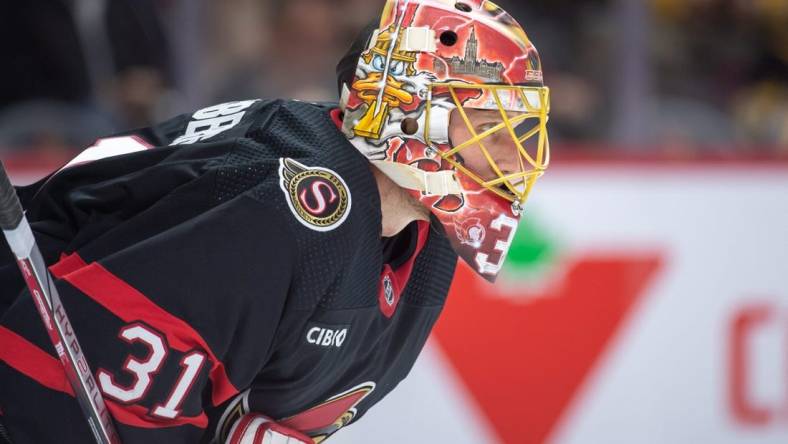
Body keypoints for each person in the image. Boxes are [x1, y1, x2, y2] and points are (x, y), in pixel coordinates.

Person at [0, 0, 550, 442]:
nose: (509, 158)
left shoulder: (424, 244)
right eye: (489, 125)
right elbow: (48, 364)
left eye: (520, 133)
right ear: (407, 105)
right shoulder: (297, 199)